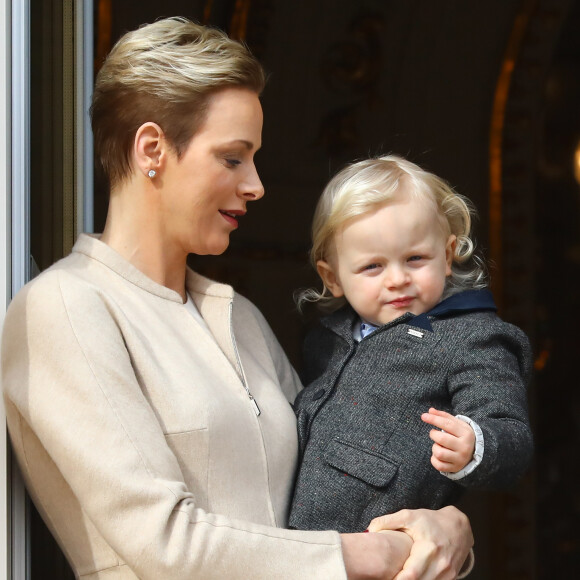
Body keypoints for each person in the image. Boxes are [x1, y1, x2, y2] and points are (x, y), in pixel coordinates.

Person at [1, 19, 473, 580]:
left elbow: (346, 480)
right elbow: (164, 540)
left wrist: (447, 529)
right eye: (232, 158)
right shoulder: (65, 308)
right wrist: (369, 555)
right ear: (152, 148)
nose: (256, 184)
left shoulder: (241, 317)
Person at [289, 155, 533, 536]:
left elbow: (512, 437)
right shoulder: (324, 340)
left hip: (388, 548)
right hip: (292, 543)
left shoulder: (473, 339)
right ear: (332, 277)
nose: (398, 279)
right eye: (373, 266)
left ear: (448, 255)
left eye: (415, 258)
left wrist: (476, 445)